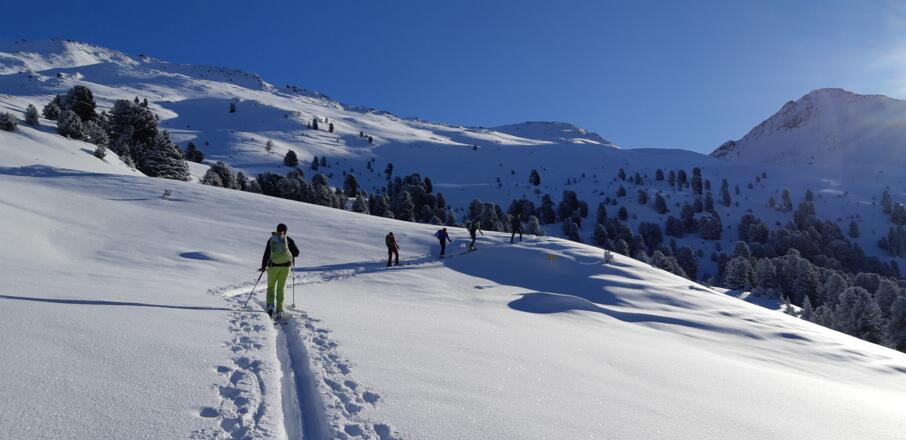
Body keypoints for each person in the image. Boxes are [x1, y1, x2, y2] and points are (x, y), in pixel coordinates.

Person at [259, 223, 300, 319]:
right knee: (281, 288)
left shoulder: (272, 239)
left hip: (272, 267)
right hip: (285, 268)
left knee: (271, 287)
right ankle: (280, 309)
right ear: (286, 231)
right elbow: (296, 253)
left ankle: (270, 306)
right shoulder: (288, 240)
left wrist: (263, 266)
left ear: (277, 230)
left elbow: (266, 254)